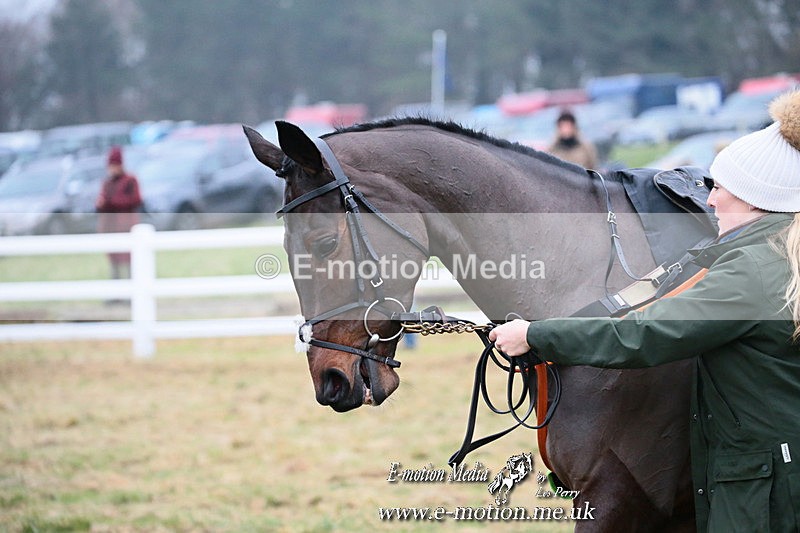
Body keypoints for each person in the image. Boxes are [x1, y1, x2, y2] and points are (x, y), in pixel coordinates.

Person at [490, 90, 800, 531]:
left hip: (769, 496)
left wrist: (535, 336)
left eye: (720, 188)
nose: (709, 200)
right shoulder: (776, 254)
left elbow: (643, 334)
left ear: (753, 198)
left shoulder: (754, 269)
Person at [96, 146, 142, 280]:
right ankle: (115, 292)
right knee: (113, 260)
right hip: (111, 227)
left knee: (129, 259)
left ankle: (132, 290)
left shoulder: (130, 181)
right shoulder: (107, 183)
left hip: (126, 225)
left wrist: (112, 201)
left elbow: (135, 200)